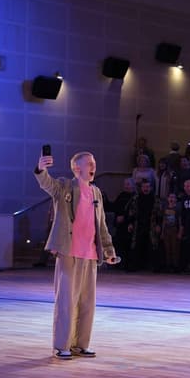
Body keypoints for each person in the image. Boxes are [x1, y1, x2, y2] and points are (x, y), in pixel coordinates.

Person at [34, 151, 119, 360]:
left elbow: (101, 225)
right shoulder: (65, 186)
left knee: (87, 303)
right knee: (66, 301)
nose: (93, 166)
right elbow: (47, 184)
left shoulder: (96, 192)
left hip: (90, 255)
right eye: (89, 163)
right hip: (69, 252)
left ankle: (81, 345)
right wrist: (41, 169)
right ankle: (61, 346)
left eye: (94, 163)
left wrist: (108, 251)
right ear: (76, 168)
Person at [161, 193, 181, 272]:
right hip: (166, 230)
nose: (171, 199)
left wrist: (180, 232)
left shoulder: (177, 209)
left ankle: (175, 265)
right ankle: (168, 265)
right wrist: (162, 232)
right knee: (167, 248)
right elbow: (164, 220)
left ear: (176, 199)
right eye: (170, 197)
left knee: (174, 248)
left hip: (174, 230)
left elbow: (180, 221)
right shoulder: (165, 208)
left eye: (173, 197)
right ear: (167, 199)